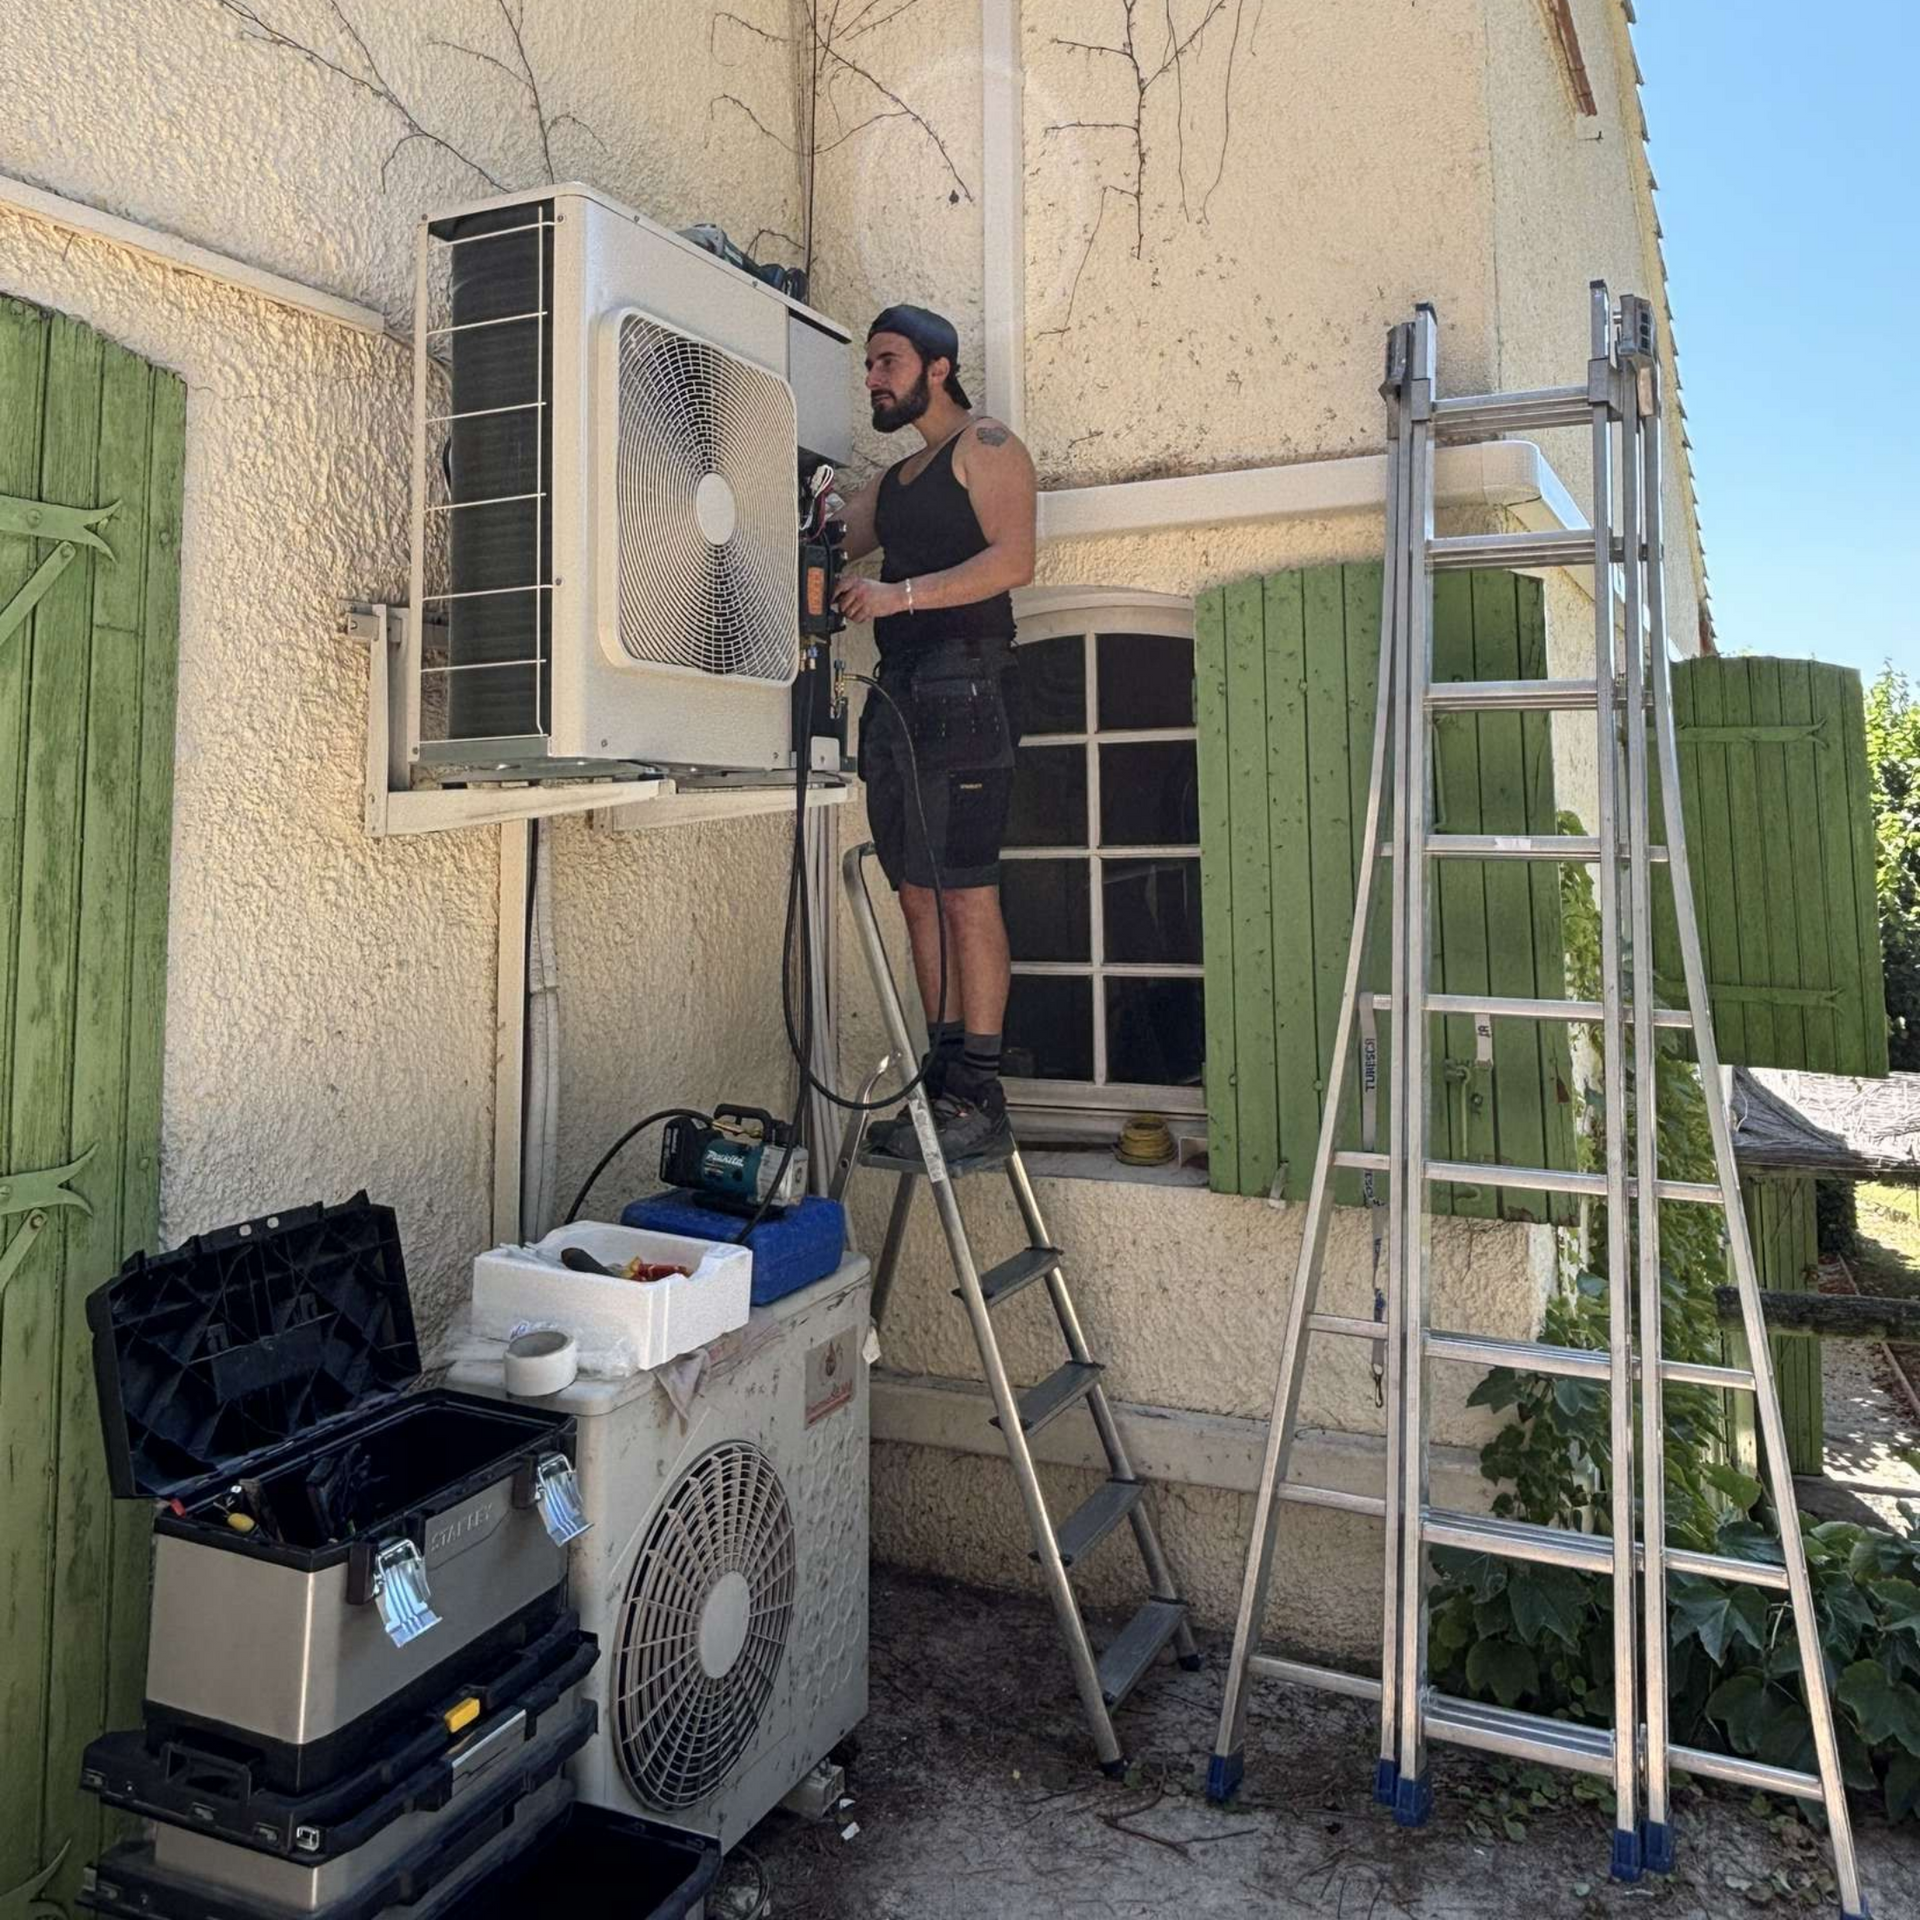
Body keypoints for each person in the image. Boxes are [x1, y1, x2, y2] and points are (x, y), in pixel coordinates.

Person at [832, 305, 1037, 1163]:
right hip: (899, 695)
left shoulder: (987, 449)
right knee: (915, 890)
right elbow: (832, 536)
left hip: (966, 687)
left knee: (963, 889)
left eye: (888, 362)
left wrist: (897, 596)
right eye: (870, 367)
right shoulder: (901, 478)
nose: (874, 379)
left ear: (938, 368)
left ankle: (981, 1095)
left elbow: (1013, 560)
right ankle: (940, 1078)